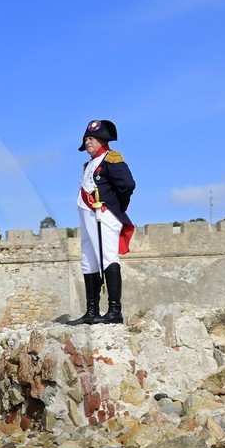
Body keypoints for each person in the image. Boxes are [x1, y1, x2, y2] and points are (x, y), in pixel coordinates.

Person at [72, 119, 136, 325]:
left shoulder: (111, 159)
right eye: (86, 139)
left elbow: (127, 185)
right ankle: (92, 311)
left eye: (92, 138)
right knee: (88, 259)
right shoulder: (89, 164)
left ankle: (114, 310)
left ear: (102, 140)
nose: (88, 142)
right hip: (88, 216)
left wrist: (115, 205)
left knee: (107, 257)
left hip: (103, 214)